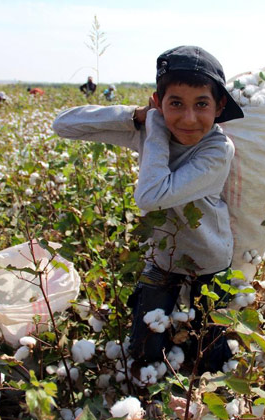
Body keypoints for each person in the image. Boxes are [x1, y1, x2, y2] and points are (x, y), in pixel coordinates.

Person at [52, 45, 244, 373]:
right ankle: (149, 392)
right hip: (163, 254)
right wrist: (134, 116)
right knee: (145, 344)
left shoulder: (217, 149)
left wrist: (154, 126)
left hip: (208, 258)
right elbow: (63, 125)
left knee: (211, 345)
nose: (188, 118)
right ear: (158, 102)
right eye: (175, 104)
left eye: (202, 104)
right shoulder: (153, 125)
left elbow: (151, 195)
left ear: (220, 105)